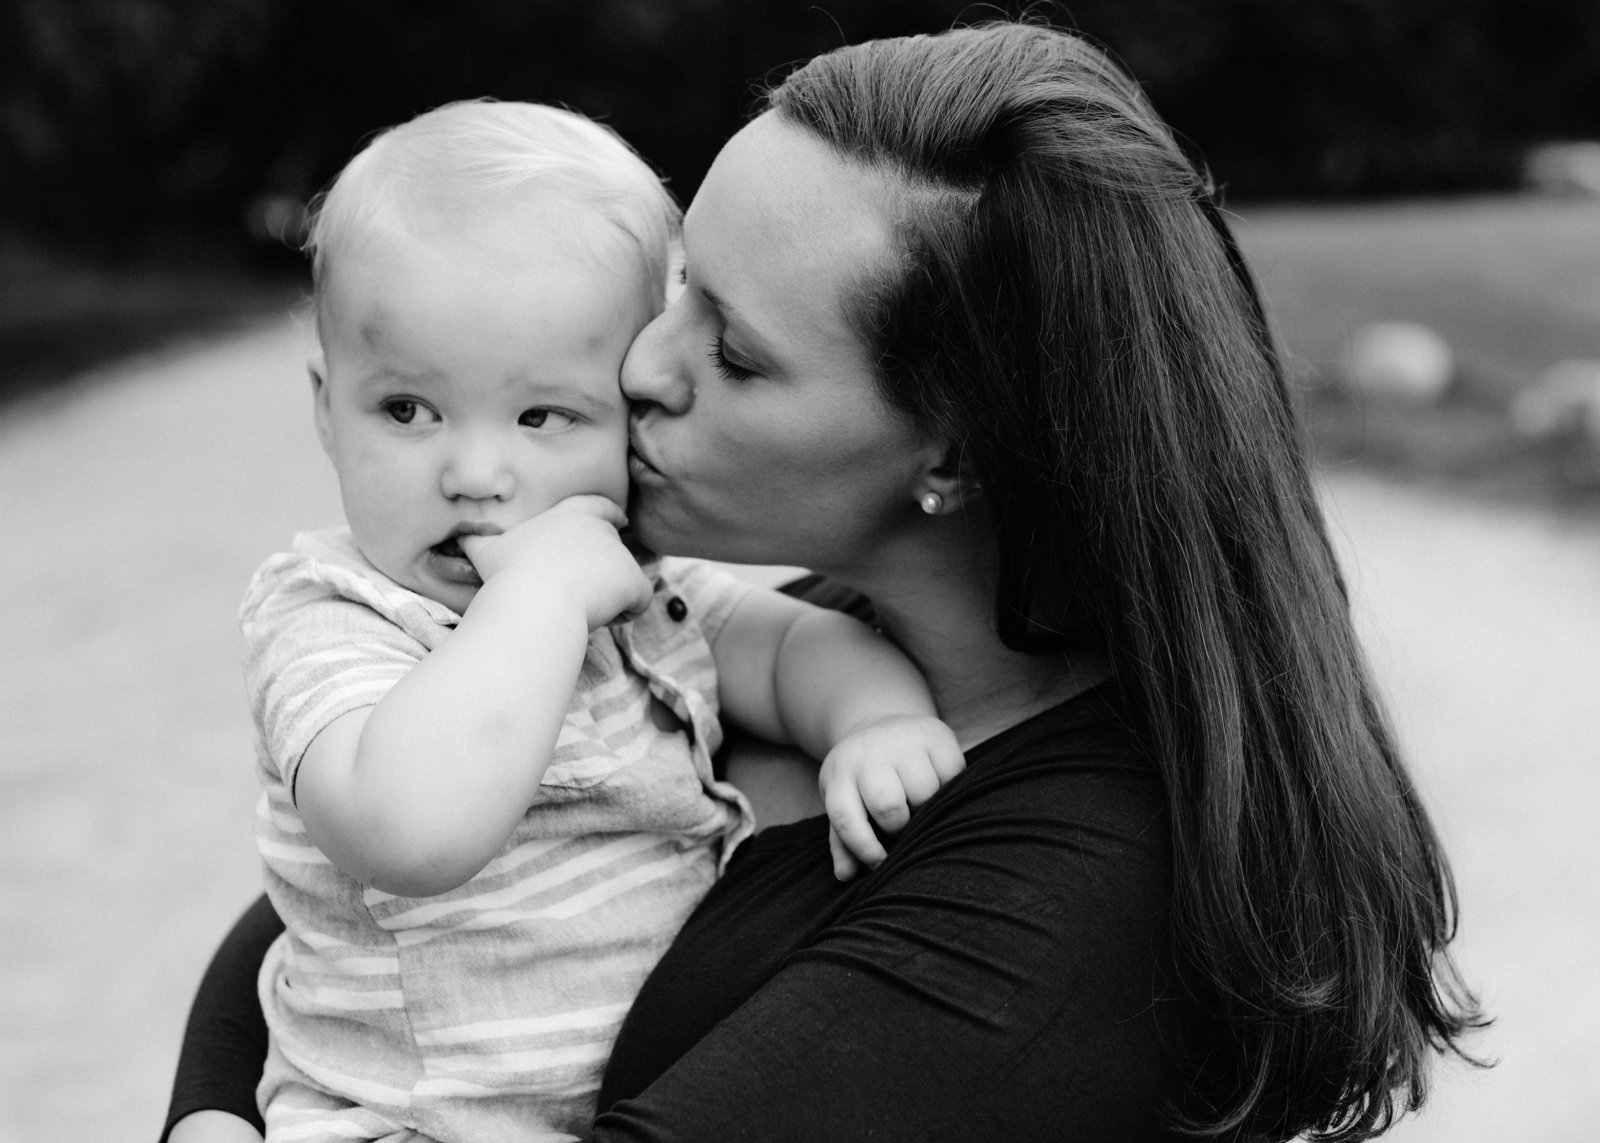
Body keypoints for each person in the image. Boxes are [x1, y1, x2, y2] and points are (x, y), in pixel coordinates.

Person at [164, 21, 1482, 1143]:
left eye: (729, 350)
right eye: (677, 294)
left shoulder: (1068, 898)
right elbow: (313, 916)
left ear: (953, 449)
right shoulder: (778, 625)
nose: (635, 372)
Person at [233, 98, 964, 1143]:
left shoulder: (630, 592)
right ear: (323, 405)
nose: (474, 475)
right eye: (405, 410)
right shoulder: (334, 617)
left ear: (627, 413)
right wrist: (535, 602)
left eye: (542, 417)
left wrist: (876, 724)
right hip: (406, 1121)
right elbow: (407, 831)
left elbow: (799, 645)